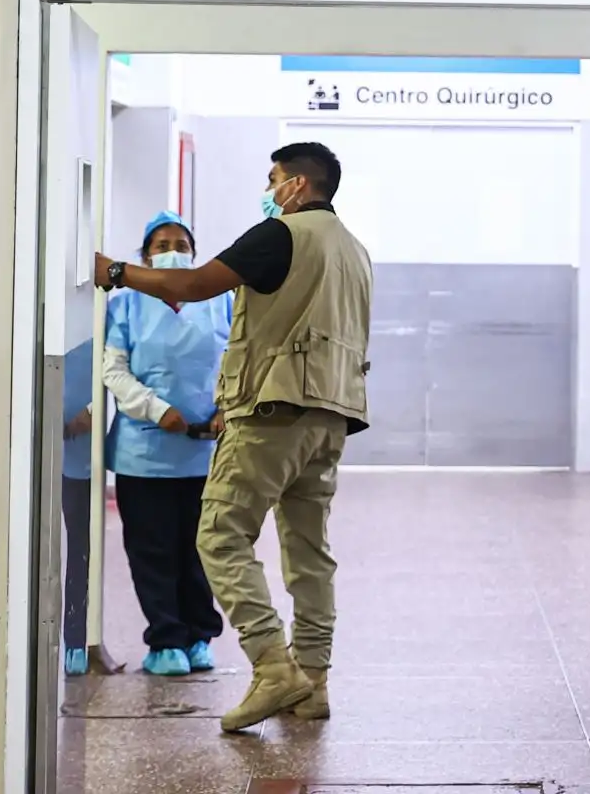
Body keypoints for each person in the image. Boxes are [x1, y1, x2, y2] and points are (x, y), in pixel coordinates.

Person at [94, 141, 371, 733]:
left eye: (274, 179)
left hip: (273, 411)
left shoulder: (280, 235)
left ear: (297, 184)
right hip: (331, 417)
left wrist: (114, 273)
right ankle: (314, 680)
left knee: (219, 535)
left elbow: (191, 286)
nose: (268, 191)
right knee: (308, 551)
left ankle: (274, 667)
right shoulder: (355, 249)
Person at [101, 211, 232, 677]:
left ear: (194, 253)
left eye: (180, 242)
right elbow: (114, 371)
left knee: (202, 550)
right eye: (161, 244)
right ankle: (166, 641)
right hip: (145, 455)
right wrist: (158, 410)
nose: (173, 250)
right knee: (153, 552)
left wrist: (224, 409)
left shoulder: (222, 301)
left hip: (206, 453)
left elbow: (241, 359)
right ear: (144, 257)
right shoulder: (126, 306)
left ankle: (200, 636)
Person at [61, 337, 95, 677]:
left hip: (89, 454)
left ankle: (80, 641)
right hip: (51, 452)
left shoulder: (104, 313)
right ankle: (74, 641)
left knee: (81, 549)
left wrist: (97, 408)